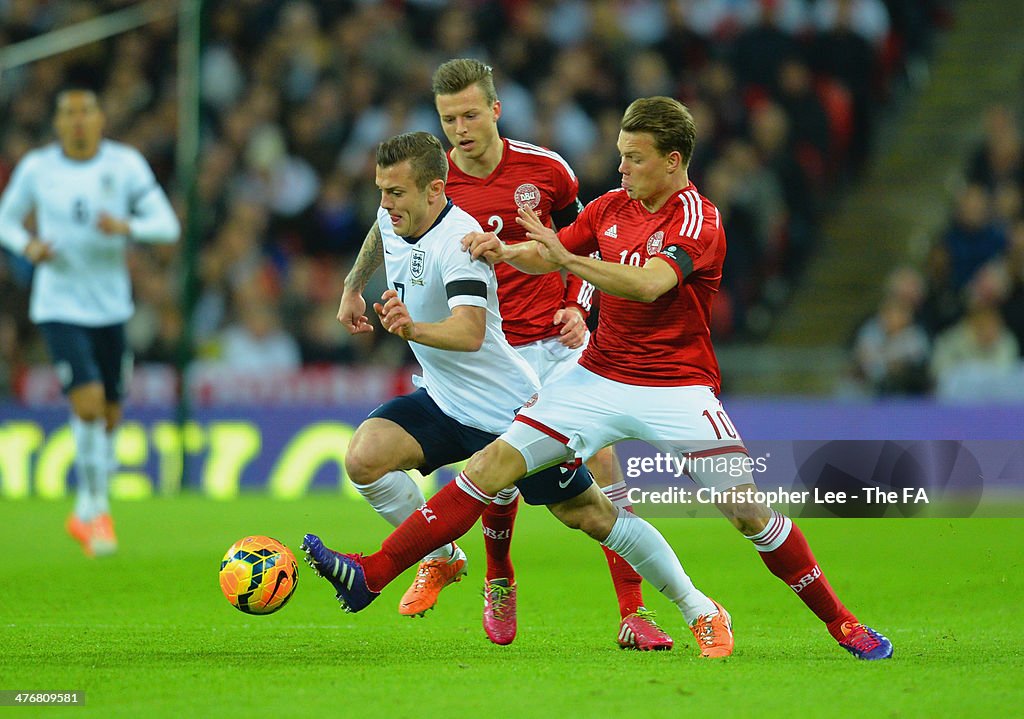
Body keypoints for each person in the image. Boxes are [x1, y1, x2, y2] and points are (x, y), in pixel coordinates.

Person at [304, 97, 893, 661]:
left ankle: (841, 622)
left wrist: (563, 261)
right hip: (598, 376)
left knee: (747, 512)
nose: (621, 167)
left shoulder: (699, 217)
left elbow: (648, 284)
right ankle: (372, 574)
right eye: (620, 154)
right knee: (489, 468)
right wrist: (506, 251)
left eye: (634, 157)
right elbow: (552, 251)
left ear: (673, 161)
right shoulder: (611, 206)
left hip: (677, 387)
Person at [327, 129, 731, 656]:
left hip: (512, 397)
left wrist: (412, 329)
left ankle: (687, 606)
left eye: (395, 193)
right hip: (448, 398)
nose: (459, 128)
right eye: (449, 117)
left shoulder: (464, 237)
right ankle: (444, 558)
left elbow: (473, 331)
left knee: (592, 512)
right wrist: (352, 285)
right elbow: (380, 232)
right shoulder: (396, 213)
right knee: (364, 457)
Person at [0, 88, 180, 556]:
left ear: (101, 119)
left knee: (110, 414)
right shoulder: (39, 169)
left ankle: (87, 508)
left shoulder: (123, 166)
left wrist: (128, 228)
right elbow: (6, 219)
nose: (78, 121)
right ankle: (95, 509)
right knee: (88, 403)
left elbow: (167, 225)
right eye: (68, 114)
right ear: (57, 123)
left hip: (111, 307)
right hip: (58, 305)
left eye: (86, 112)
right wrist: (27, 246)